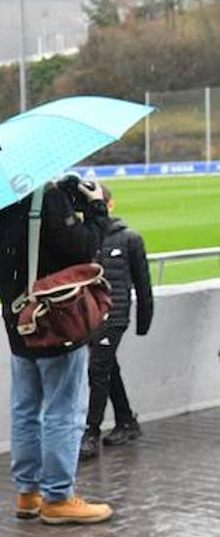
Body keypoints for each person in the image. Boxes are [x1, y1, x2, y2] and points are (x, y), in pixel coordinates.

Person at [0, 179, 113, 525]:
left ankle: (28, 493)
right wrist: (96, 208)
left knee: (24, 410)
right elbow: (83, 248)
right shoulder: (45, 199)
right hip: (55, 324)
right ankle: (58, 497)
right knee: (64, 412)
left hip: (17, 322)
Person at [79, 184, 152, 460]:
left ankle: (91, 431)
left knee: (97, 368)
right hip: (88, 316)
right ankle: (126, 421)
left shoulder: (129, 239)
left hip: (115, 315)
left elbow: (143, 284)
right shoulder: (84, 238)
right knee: (108, 367)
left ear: (110, 204)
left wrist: (143, 321)